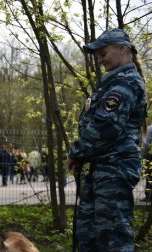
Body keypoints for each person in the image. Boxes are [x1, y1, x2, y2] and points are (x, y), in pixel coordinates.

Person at [66, 28, 146, 251]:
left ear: (121, 49)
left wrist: (76, 152)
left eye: (103, 54)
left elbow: (106, 126)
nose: (100, 60)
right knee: (88, 234)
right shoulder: (113, 83)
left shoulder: (126, 83)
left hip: (115, 168)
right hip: (103, 167)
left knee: (113, 238)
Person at [141, 124, 152, 202]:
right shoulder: (149, 128)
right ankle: (148, 195)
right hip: (149, 153)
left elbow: (145, 143)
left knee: (149, 175)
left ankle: (148, 196)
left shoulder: (149, 128)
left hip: (148, 153)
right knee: (149, 175)